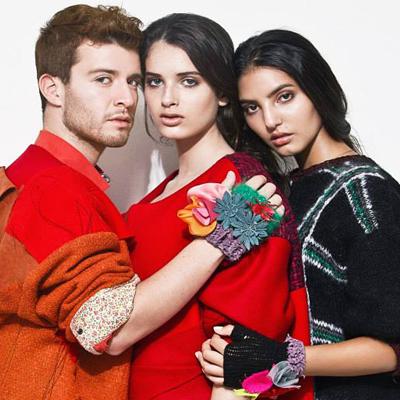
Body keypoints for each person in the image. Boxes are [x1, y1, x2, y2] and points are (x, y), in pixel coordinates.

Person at [0, 6, 277, 400]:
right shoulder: (52, 189)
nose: (126, 98)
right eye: (103, 79)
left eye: (133, 81)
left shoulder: (27, 178)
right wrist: (224, 236)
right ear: (53, 89)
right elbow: (106, 327)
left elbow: (250, 339)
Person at [198, 29, 400, 399]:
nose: (270, 120)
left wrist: (278, 358)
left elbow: (391, 350)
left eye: (284, 97)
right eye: (252, 108)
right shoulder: (288, 188)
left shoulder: (365, 192)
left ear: (318, 89)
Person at [125, 14, 313, 400]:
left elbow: (249, 346)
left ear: (223, 92)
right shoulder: (155, 195)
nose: (168, 99)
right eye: (155, 81)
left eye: (189, 81)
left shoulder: (243, 186)